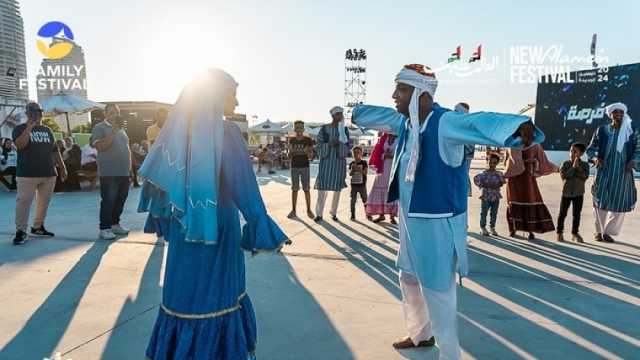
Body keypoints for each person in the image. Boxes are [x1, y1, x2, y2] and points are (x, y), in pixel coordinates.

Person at [352, 64, 542, 359]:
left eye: (401, 90)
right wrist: (352, 113)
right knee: (408, 277)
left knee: (438, 288)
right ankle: (420, 334)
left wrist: (515, 126)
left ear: (422, 95)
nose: (394, 95)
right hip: (409, 216)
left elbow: (479, 122)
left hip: (437, 219)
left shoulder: (446, 122)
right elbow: (373, 114)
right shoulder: (405, 122)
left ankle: (450, 354)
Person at [138, 69, 287, 360]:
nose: (238, 101)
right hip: (217, 230)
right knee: (217, 298)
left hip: (184, 229)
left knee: (182, 297)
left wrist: (164, 220)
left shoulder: (176, 133)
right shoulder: (226, 132)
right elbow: (244, 184)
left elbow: (162, 186)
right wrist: (260, 224)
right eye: (233, 93)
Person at [11, 102, 67, 245]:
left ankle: (38, 227)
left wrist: (62, 167)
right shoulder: (19, 129)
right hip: (26, 174)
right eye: (34, 112)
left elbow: (55, 150)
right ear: (27, 114)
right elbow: (20, 145)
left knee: (43, 203)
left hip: (48, 173)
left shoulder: (48, 130)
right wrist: (30, 126)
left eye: (39, 112)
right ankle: (21, 231)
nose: (38, 115)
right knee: (23, 203)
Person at [587, 102, 638, 243]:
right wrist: (595, 158)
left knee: (620, 203)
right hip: (603, 172)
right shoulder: (602, 130)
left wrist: (634, 161)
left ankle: (608, 232)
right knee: (600, 201)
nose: (618, 115)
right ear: (610, 115)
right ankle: (598, 231)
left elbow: (639, 148)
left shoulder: (631, 130)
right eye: (615, 112)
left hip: (623, 173)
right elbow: (590, 149)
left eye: (621, 112)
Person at [91, 104, 132, 240]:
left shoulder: (122, 129)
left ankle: (115, 224)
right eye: (112, 113)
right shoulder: (99, 128)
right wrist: (113, 132)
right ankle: (104, 228)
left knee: (120, 200)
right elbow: (100, 146)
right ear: (105, 114)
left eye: (117, 112)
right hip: (109, 172)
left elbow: (126, 148)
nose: (115, 115)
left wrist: (130, 168)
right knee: (108, 201)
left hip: (124, 172)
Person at [504, 141, 558, 240]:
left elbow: (506, 162)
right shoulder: (535, 145)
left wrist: (506, 173)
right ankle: (528, 231)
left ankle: (514, 229)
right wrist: (555, 168)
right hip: (526, 178)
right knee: (529, 201)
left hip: (515, 178)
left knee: (516, 202)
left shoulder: (512, 144)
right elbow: (544, 162)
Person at [314, 106, 350, 222]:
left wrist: (339, 143)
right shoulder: (324, 129)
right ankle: (319, 214)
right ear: (333, 116)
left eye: (341, 114)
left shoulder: (344, 130)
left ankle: (333, 212)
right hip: (326, 164)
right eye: (338, 114)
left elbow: (347, 147)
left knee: (337, 190)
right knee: (322, 189)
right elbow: (318, 146)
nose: (340, 116)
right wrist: (328, 144)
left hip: (339, 164)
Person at [556, 142, 590, 243]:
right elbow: (564, 176)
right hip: (566, 193)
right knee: (562, 214)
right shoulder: (565, 164)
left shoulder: (585, 165)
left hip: (579, 193)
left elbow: (585, 177)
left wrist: (578, 168)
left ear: (581, 154)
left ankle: (574, 233)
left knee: (576, 214)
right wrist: (573, 168)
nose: (571, 153)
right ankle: (559, 232)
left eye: (575, 151)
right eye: (571, 151)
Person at [366, 133, 398, 223]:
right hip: (382, 168)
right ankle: (381, 214)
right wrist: (384, 155)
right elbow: (377, 153)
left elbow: (403, 151)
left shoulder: (400, 137)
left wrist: (393, 156)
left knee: (392, 189)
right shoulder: (383, 138)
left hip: (394, 168)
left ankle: (392, 216)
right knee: (380, 189)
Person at [287, 120, 315, 219]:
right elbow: (289, 156)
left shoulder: (308, 140)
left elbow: (311, 156)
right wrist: (291, 152)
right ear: (294, 129)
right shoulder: (291, 140)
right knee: (294, 189)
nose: (299, 129)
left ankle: (309, 210)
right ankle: (293, 210)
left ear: (303, 129)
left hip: (305, 166)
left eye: (300, 127)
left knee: (306, 189)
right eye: (297, 127)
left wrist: (308, 152)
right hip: (294, 166)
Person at [473, 153, 506, 236]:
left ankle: (492, 227)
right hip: (486, 197)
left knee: (494, 213)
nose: (492, 164)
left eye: (494, 163)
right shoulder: (484, 174)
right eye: (490, 162)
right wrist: (483, 185)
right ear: (487, 162)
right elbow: (475, 179)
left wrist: (497, 184)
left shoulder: (499, 174)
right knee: (484, 213)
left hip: (495, 197)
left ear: (497, 163)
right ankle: (482, 228)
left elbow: (503, 182)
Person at [454, 102, 474, 197]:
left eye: (456, 110)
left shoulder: (466, 125)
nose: (454, 113)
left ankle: (464, 191)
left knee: (463, 174)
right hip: (464, 154)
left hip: (465, 155)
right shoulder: (468, 124)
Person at [349, 146, 368, 221]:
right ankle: (352, 214)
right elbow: (350, 174)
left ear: (361, 153)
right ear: (352, 154)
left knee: (365, 199)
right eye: (354, 153)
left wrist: (358, 169)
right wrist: (353, 170)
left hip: (362, 185)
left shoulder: (364, 162)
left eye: (358, 152)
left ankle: (368, 213)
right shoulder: (352, 163)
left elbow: (365, 173)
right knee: (353, 200)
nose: (356, 154)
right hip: (354, 185)